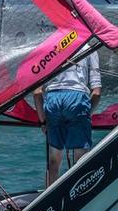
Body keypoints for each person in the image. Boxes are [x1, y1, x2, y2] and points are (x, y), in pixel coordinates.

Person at [33, 53, 101, 187]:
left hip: (53, 99)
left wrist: (42, 122)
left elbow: (37, 92)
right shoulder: (90, 48)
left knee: (53, 161)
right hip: (77, 98)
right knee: (81, 160)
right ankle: (79, 195)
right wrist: (85, 114)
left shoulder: (52, 44)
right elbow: (97, 92)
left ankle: (50, 200)